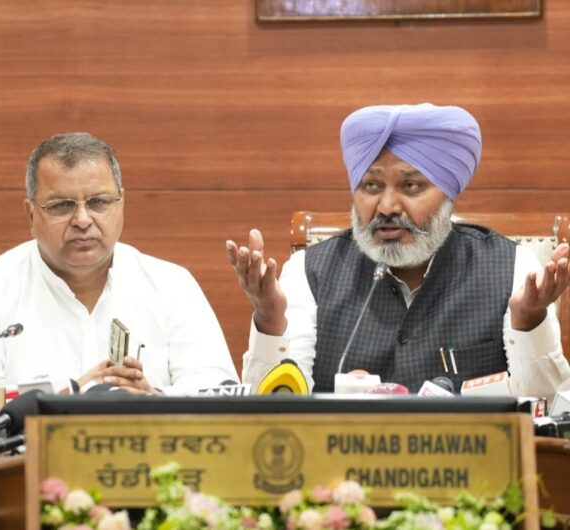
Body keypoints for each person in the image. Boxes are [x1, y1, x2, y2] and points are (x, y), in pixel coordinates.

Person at [227, 103, 570, 399]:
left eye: (410, 186)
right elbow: (270, 417)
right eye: (371, 185)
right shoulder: (309, 272)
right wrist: (270, 319)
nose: (387, 206)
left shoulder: (510, 266)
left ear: (448, 196)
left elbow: (544, 413)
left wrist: (528, 321)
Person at [0, 132, 238, 407]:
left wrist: (152, 399)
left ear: (121, 203)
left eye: (98, 202)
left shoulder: (172, 286)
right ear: (30, 214)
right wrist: (74, 392)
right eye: (62, 205)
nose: (82, 220)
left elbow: (220, 392)